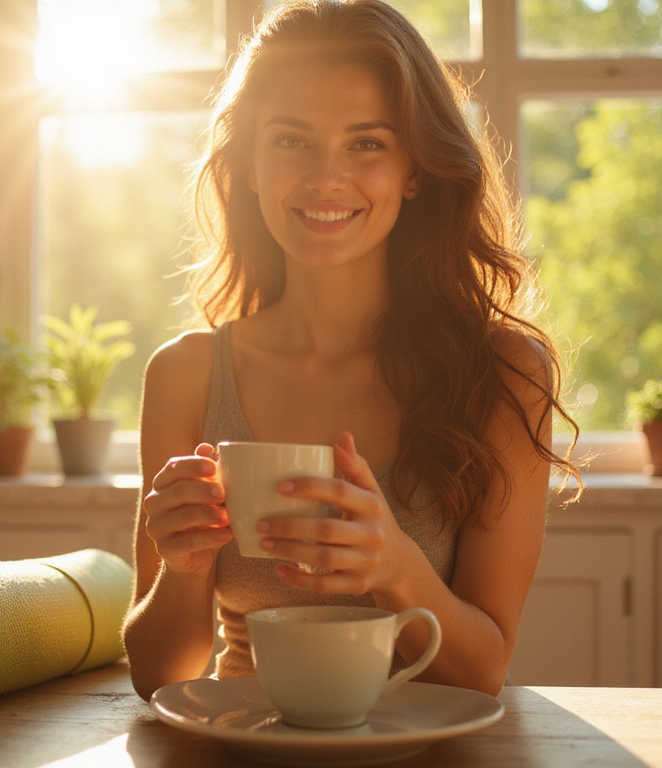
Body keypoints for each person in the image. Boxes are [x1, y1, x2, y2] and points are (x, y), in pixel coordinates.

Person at [122, 0, 579, 702]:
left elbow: (484, 671)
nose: (325, 178)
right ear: (247, 164)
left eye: (366, 143)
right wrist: (183, 569)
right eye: (290, 141)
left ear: (415, 170)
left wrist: (396, 567)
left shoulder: (505, 374)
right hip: (250, 752)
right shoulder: (184, 375)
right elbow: (162, 677)